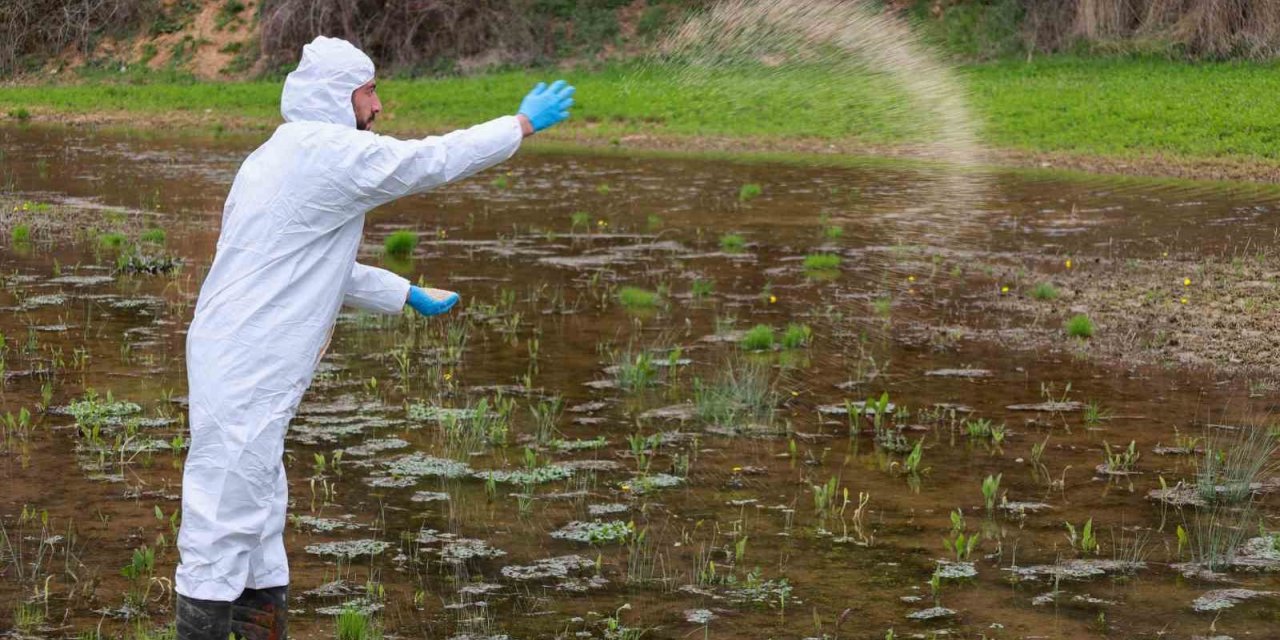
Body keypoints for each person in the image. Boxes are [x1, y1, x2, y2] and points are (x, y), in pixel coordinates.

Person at [174, 35, 575, 639]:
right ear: (340, 97)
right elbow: (427, 161)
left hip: (240, 356)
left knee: (257, 516)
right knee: (222, 520)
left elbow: (307, 261)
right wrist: (517, 126)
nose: (378, 106)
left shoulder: (279, 154)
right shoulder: (326, 151)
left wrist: (403, 292)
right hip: (247, 362)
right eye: (369, 91)